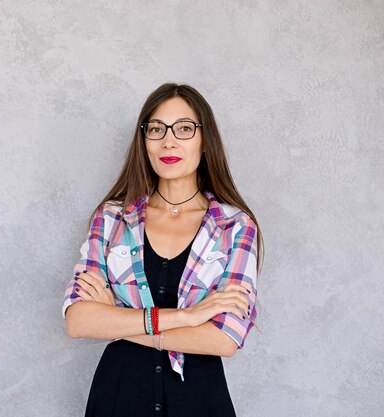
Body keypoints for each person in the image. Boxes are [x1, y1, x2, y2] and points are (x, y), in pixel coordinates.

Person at [61, 83, 264, 417]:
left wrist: (119, 319)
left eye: (184, 128)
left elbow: (223, 340)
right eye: (156, 129)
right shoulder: (113, 219)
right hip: (118, 400)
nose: (168, 140)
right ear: (144, 142)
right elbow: (79, 321)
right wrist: (186, 317)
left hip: (199, 403)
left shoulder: (235, 227)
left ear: (205, 141)